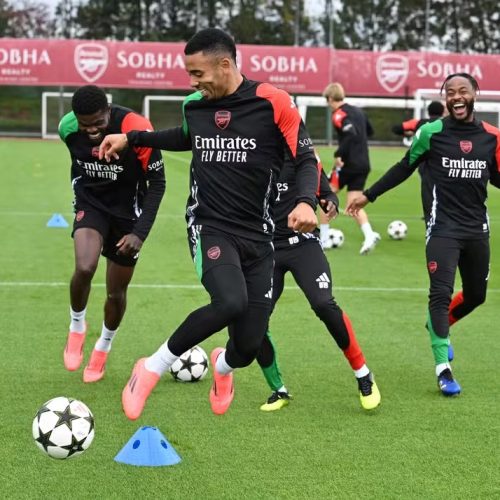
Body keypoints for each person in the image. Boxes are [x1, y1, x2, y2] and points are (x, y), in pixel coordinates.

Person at [98, 28, 319, 420]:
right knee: (230, 302)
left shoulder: (274, 102)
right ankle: (149, 369)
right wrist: (131, 138)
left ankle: (222, 369)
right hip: (209, 224)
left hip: (260, 234)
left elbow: (304, 158)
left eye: (198, 73)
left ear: (225, 64)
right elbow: (185, 137)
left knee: (248, 345)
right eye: (189, 74)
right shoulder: (195, 106)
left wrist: (304, 201)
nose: (193, 82)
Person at [346, 73, 500, 397]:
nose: (456, 97)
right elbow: (404, 166)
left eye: (463, 91)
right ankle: (443, 368)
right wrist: (369, 195)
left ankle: (437, 326)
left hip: (477, 229)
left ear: (476, 94)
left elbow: (497, 176)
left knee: (476, 296)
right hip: (442, 228)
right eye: (450, 93)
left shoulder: (492, 137)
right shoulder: (431, 133)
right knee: (440, 295)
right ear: (445, 99)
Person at [257, 152, 381, 412]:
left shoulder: (305, 157)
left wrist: (331, 203)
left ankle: (363, 374)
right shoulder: (254, 152)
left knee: (324, 304)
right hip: (265, 249)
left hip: (304, 244)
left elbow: (326, 192)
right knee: (255, 319)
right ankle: (278, 390)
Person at [59, 85, 166, 383]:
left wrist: (140, 234)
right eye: (85, 124)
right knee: (84, 266)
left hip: (129, 214)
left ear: (108, 110)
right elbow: (77, 163)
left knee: (115, 291)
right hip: (91, 203)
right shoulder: (67, 128)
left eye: (98, 122)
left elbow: (157, 184)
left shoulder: (135, 127)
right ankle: (77, 326)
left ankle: (103, 348)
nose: (91, 130)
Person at [320, 82, 380, 255]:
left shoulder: (338, 114)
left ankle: (323, 240)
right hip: (363, 163)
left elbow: (350, 133)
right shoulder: (359, 111)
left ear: (331, 98)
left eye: (327, 100)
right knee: (353, 204)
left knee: (324, 197)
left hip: (347, 164)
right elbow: (369, 131)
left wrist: (339, 153)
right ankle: (369, 235)